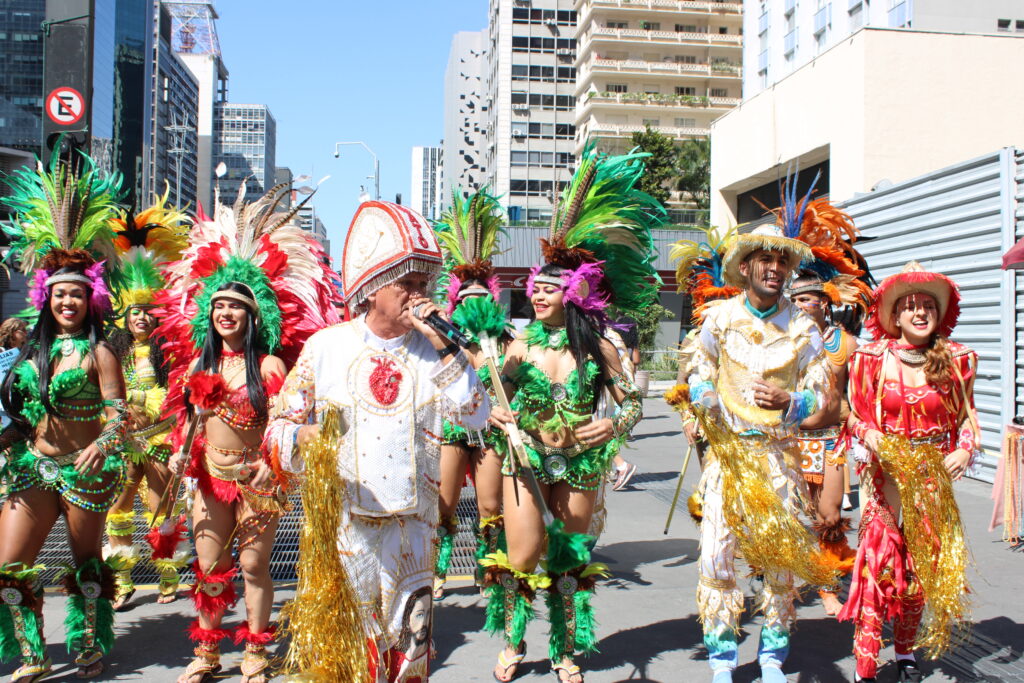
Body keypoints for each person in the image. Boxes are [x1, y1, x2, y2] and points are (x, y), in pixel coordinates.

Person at [265, 200, 489, 683]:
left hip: (415, 529)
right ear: (370, 290)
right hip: (348, 531)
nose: (417, 295)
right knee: (351, 653)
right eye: (404, 284)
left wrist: (446, 346)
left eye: (423, 285)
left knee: (410, 652)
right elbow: (276, 429)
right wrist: (303, 436)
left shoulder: (434, 351)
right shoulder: (326, 347)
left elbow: (478, 415)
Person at [486, 145, 656, 683]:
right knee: (521, 556)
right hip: (527, 459)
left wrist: (613, 425)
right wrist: (499, 417)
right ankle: (514, 641)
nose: (536, 295)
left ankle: (563, 649)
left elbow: (633, 401)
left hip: (581, 464)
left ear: (574, 290)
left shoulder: (601, 344)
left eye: (548, 288)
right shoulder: (518, 346)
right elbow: (497, 401)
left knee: (569, 563)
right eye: (533, 288)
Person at [158, 185, 341, 683]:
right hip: (208, 474)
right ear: (208, 315)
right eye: (218, 307)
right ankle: (208, 653)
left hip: (260, 478)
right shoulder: (201, 362)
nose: (226, 314)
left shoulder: (272, 365)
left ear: (252, 315)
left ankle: (255, 651)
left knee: (256, 567)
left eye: (235, 307)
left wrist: (275, 463)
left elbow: (292, 422)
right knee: (211, 567)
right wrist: (180, 453)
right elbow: (187, 420)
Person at [683, 194, 835, 683]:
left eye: (781, 262)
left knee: (780, 564)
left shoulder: (804, 327)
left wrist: (792, 404)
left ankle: (772, 656)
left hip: (779, 461)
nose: (774, 269)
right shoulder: (720, 318)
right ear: (745, 268)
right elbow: (697, 366)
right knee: (717, 556)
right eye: (764, 260)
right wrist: (705, 396)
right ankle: (722, 659)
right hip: (729, 459)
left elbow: (823, 393)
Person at [0, 152, 129, 680]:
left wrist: (105, 442)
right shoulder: (32, 350)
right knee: (9, 569)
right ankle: (32, 651)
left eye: (77, 294)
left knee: (87, 568)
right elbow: (23, 411)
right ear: (46, 299)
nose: (68, 302)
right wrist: (8, 440)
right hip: (32, 467)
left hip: (83, 468)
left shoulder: (100, 352)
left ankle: (87, 644)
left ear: (90, 298)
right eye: (60, 295)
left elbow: (120, 414)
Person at [838, 262, 976, 683]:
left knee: (918, 571)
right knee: (877, 568)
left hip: (932, 479)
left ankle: (905, 653)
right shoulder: (870, 359)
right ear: (894, 316)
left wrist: (965, 450)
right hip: (885, 477)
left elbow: (969, 421)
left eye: (927, 306)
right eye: (910, 306)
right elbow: (851, 417)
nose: (919, 313)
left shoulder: (957, 360)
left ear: (938, 314)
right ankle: (865, 662)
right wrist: (872, 437)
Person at [102, 191, 190, 610]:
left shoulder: (168, 352)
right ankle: (121, 582)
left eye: (147, 312)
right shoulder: (110, 350)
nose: (140, 317)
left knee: (160, 511)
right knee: (116, 513)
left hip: (156, 440)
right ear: (124, 315)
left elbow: (176, 396)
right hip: (121, 443)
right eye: (134, 312)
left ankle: (168, 576)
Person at [788, 197, 873, 616]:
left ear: (825, 301)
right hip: (789, 440)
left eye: (809, 300)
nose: (803, 307)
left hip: (831, 440)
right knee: (785, 513)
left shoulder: (846, 343)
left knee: (829, 513)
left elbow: (858, 396)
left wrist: (864, 434)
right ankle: (782, 579)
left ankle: (825, 583)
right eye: (796, 301)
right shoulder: (780, 345)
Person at [432, 189, 512, 600]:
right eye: (467, 299)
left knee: (489, 507)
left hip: (491, 432)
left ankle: (487, 567)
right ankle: (440, 570)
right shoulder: (443, 339)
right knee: (445, 504)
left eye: (482, 299)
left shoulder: (507, 339)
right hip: (452, 429)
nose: (475, 305)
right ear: (455, 303)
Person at [610, 316, 640, 491]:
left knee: (604, 432)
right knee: (611, 431)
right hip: (628, 387)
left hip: (614, 389)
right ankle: (612, 469)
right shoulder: (630, 344)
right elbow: (636, 361)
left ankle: (621, 465)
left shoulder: (613, 342)